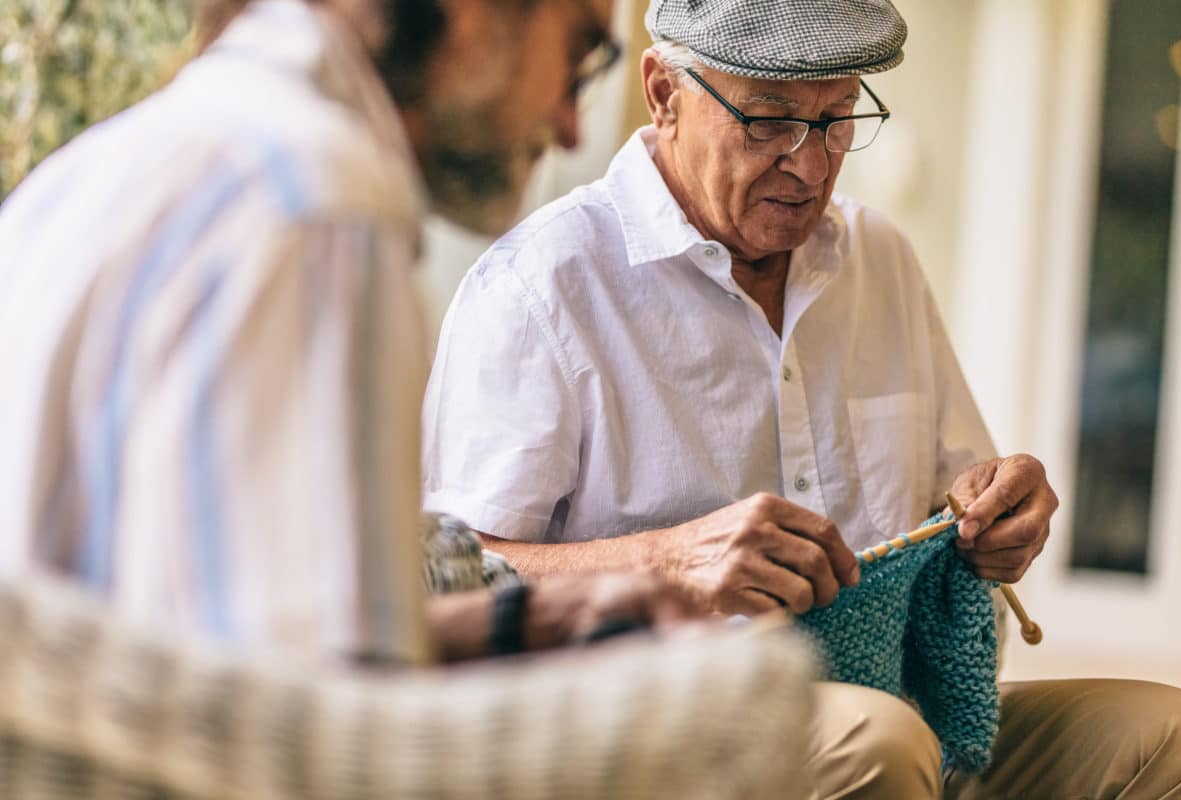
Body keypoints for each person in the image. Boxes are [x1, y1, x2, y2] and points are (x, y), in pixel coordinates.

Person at [422, 0, 1181, 795]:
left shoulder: (881, 258)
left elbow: (956, 499)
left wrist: (996, 517)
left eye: (838, 117)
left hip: (900, 713)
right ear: (663, 92)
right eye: (769, 121)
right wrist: (669, 561)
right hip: (648, 738)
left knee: (1173, 736)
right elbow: (455, 580)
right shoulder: (541, 286)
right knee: (879, 742)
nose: (813, 163)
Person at [0, 0, 700, 668]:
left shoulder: (105, 167)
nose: (572, 125)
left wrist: (534, 619)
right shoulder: (318, 203)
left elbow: (228, 649)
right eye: (581, 53)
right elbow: (310, 721)